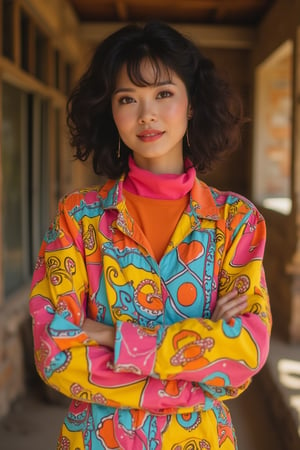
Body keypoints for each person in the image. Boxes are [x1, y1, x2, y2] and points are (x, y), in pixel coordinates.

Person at [29, 21, 272, 450]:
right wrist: (199, 354)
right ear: (111, 111)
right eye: (128, 98)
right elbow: (57, 354)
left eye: (163, 93)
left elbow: (245, 354)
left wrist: (111, 336)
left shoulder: (236, 223)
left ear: (192, 103)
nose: (147, 114)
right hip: (97, 441)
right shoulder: (79, 219)